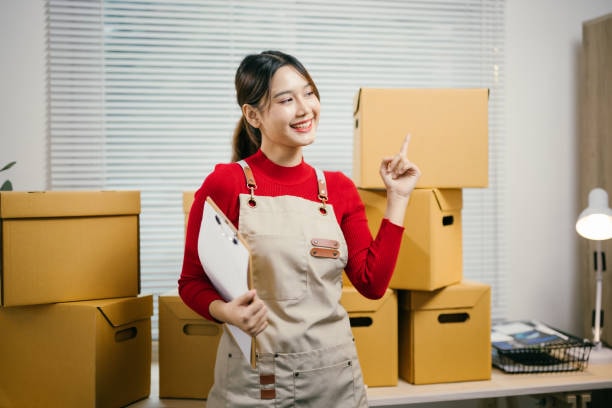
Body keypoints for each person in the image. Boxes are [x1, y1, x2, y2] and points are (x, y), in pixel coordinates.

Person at [179, 50, 420, 407]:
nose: (305, 108)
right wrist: (226, 312)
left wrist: (397, 198)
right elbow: (191, 282)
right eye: (286, 100)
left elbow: (371, 284)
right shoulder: (225, 184)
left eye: (308, 93)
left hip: (334, 379)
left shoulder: (339, 189)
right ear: (253, 115)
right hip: (256, 382)